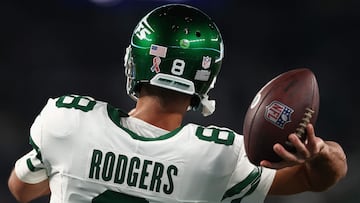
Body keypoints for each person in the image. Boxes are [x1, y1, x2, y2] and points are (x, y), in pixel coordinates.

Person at [8, 4, 347, 203]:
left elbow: (20, 190)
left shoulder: (68, 120)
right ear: (207, 80)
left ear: (135, 63)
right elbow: (318, 179)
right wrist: (319, 153)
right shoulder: (222, 156)